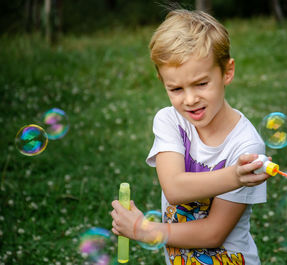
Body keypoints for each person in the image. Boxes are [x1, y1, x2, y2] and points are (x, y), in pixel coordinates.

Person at [111, 8, 272, 265]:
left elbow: (213, 234)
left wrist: (145, 231)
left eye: (201, 84)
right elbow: (173, 187)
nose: (189, 99)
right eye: (175, 88)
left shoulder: (246, 146)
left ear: (227, 72)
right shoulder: (170, 120)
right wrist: (233, 176)